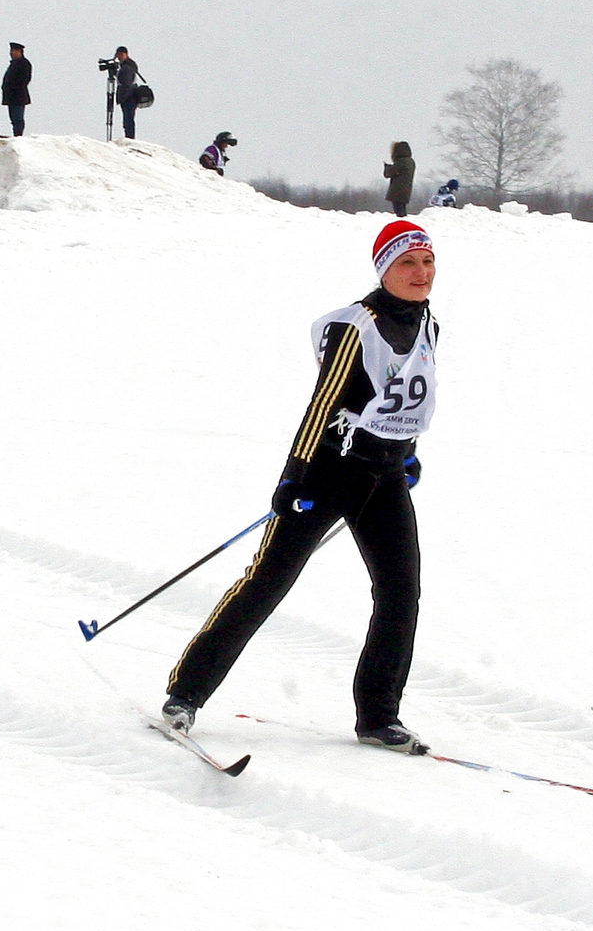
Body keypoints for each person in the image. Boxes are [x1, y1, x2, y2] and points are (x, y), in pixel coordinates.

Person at [161, 220, 439, 753]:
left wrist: (408, 454)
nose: (420, 273)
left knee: (401, 593)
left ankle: (379, 716)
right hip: (329, 472)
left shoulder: (428, 323)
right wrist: (294, 476)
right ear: (385, 269)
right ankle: (186, 695)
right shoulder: (356, 326)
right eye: (407, 263)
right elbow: (324, 404)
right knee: (267, 583)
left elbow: (406, 398)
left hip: (384, 475)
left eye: (427, 262)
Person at [112, 46, 146, 140]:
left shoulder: (127, 67)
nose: (119, 57)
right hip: (130, 96)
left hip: (128, 97)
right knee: (128, 118)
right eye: (118, 55)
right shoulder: (129, 66)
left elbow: (126, 82)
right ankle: (129, 137)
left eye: (121, 55)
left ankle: (129, 138)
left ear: (126, 55)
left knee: (128, 119)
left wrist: (123, 97)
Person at [1, 42, 32, 137]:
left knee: (18, 118)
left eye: (13, 51)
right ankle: (16, 134)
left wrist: (13, 88)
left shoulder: (24, 64)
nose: (11, 53)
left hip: (18, 96)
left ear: (19, 52)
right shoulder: (14, 64)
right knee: (13, 119)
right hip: (11, 96)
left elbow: (25, 79)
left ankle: (18, 136)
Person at [383, 141, 415, 217]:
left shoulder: (401, 162)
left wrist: (387, 167)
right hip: (406, 190)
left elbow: (388, 174)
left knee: (398, 211)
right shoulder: (410, 161)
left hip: (397, 190)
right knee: (402, 210)